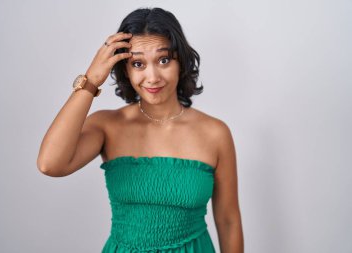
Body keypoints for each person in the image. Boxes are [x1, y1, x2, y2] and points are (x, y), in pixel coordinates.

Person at [37, 7, 244, 253]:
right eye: (138, 63)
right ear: (125, 68)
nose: (152, 76)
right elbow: (50, 164)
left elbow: (229, 221)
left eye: (163, 60)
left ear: (181, 62)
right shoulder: (108, 126)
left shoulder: (215, 133)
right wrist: (91, 81)